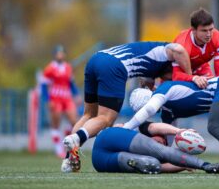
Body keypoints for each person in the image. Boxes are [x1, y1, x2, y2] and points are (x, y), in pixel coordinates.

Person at [61, 41, 192, 173]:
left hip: (95, 60)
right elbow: (179, 50)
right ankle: (76, 138)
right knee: (106, 119)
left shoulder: (152, 63)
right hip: (113, 67)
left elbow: (147, 87)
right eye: (172, 77)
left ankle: (68, 160)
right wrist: (189, 79)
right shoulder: (165, 51)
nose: (170, 81)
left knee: (89, 115)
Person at [121, 76, 219, 164]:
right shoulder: (167, 113)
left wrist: (126, 128)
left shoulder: (164, 89)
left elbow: (149, 109)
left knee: (214, 126)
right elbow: (170, 144)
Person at [92, 123, 219, 174]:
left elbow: (164, 167)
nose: (161, 143)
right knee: (159, 153)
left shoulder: (154, 152)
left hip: (100, 162)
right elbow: (155, 128)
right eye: (161, 140)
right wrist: (179, 131)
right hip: (107, 139)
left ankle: (135, 162)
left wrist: (184, 166)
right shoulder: (143, 127)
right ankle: (206, 166)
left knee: (152, 165)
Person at [41, 45, 80, 158]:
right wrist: (47, 100)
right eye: (59, 53)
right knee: (56, 122)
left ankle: (67, 144)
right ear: (55, 55)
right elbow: (44, 86)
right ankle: (58, 149)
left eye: (62, 53)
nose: (61, 55)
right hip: (55, 98)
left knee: (73, 120)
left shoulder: (68, 67)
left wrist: (76, 95)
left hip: (67, 97)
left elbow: (71, 83)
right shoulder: (50, 68)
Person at [173, 8, 219, 89]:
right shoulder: (182, 45)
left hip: (201, 66)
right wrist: (194, 78)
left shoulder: (218, 38)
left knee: (212, 86)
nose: (209, 34)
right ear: (193, 30)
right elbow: (175, 75)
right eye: (204, 31)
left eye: (211, 29)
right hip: (173, 71)